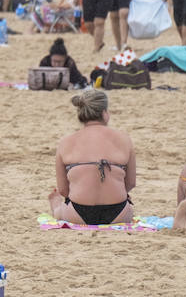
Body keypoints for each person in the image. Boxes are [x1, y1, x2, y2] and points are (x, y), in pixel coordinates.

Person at [47, 88, 136, 226]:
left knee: (61, 209)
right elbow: (130, 183)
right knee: (128, 205)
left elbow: (64, 190)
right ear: (104, 113)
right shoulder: (124, 139)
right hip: (118, 212)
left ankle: (57, 208)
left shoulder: (66, 142)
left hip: (78, 212)